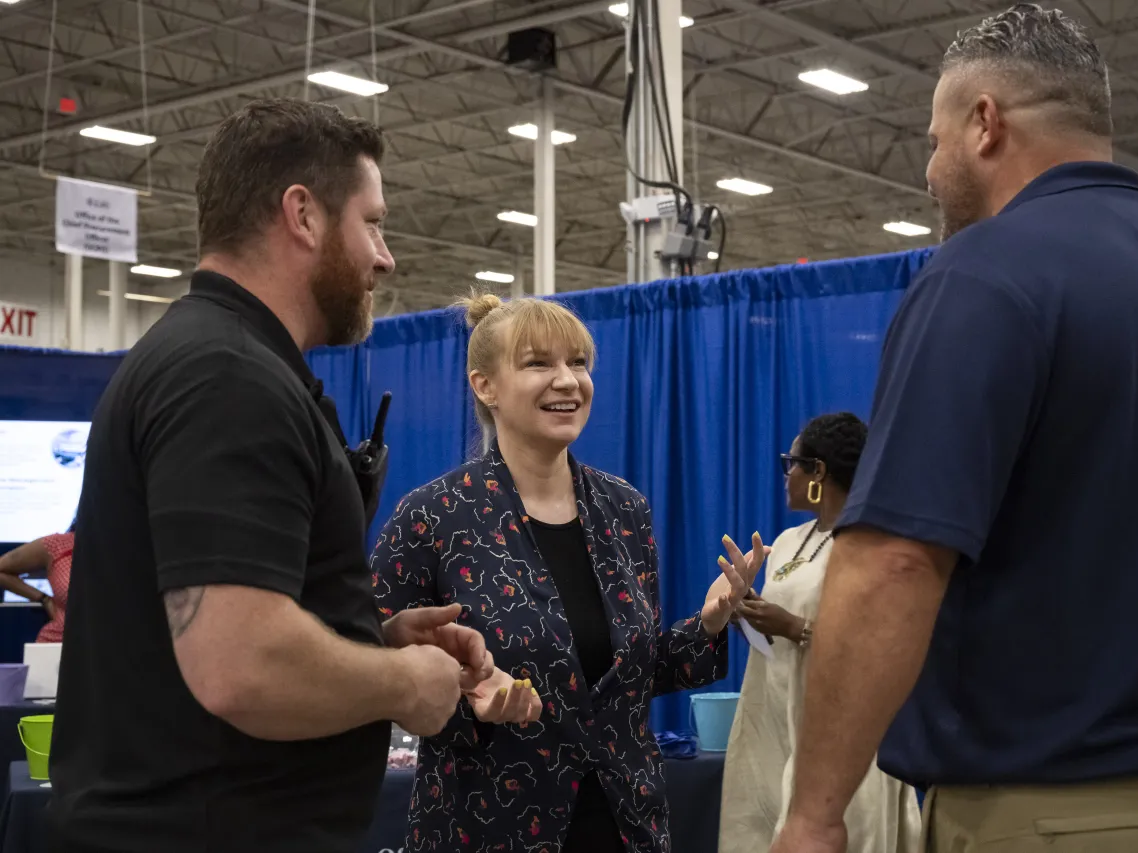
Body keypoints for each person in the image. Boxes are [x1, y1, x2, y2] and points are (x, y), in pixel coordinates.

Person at [772, 5, 1138, 853]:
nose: (931, 172)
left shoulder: (985, 275)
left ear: (984, 124)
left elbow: (896, 560)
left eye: (933, 142)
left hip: (1063, 812)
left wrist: (816, 814)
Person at [48, 98, 491, 853]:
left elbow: (198, 641)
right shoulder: (228, 378)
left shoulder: (216, 360)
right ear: (304, 215)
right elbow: (237, 662)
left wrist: (369, 642)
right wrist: (400, 684)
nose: (385, 257)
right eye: (373, 222)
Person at [370, 292, 763, 853]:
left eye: (578, 363)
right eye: (539, 364)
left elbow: (629, 680)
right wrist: (468, 700)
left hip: (626, 823)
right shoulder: (434, 517)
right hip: (490, 824)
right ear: (486, 387)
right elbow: (374, 665)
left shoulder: (624, 509)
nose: (567, 381)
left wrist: (707, 625)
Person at [720, 413, 919, 853]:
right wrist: (747, 612)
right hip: (775, 724)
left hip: (842, 740)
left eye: (792, 462)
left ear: (819, 472)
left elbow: (884, 648)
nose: (786, 473)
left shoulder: (870, 544)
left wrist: (794, 627)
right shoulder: (790, 541)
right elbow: (781, 628)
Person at [0, 521, 74, 642]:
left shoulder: (114, 549)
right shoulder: (58, 545)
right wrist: (44, 599)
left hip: (109, 646)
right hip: (58, 644)